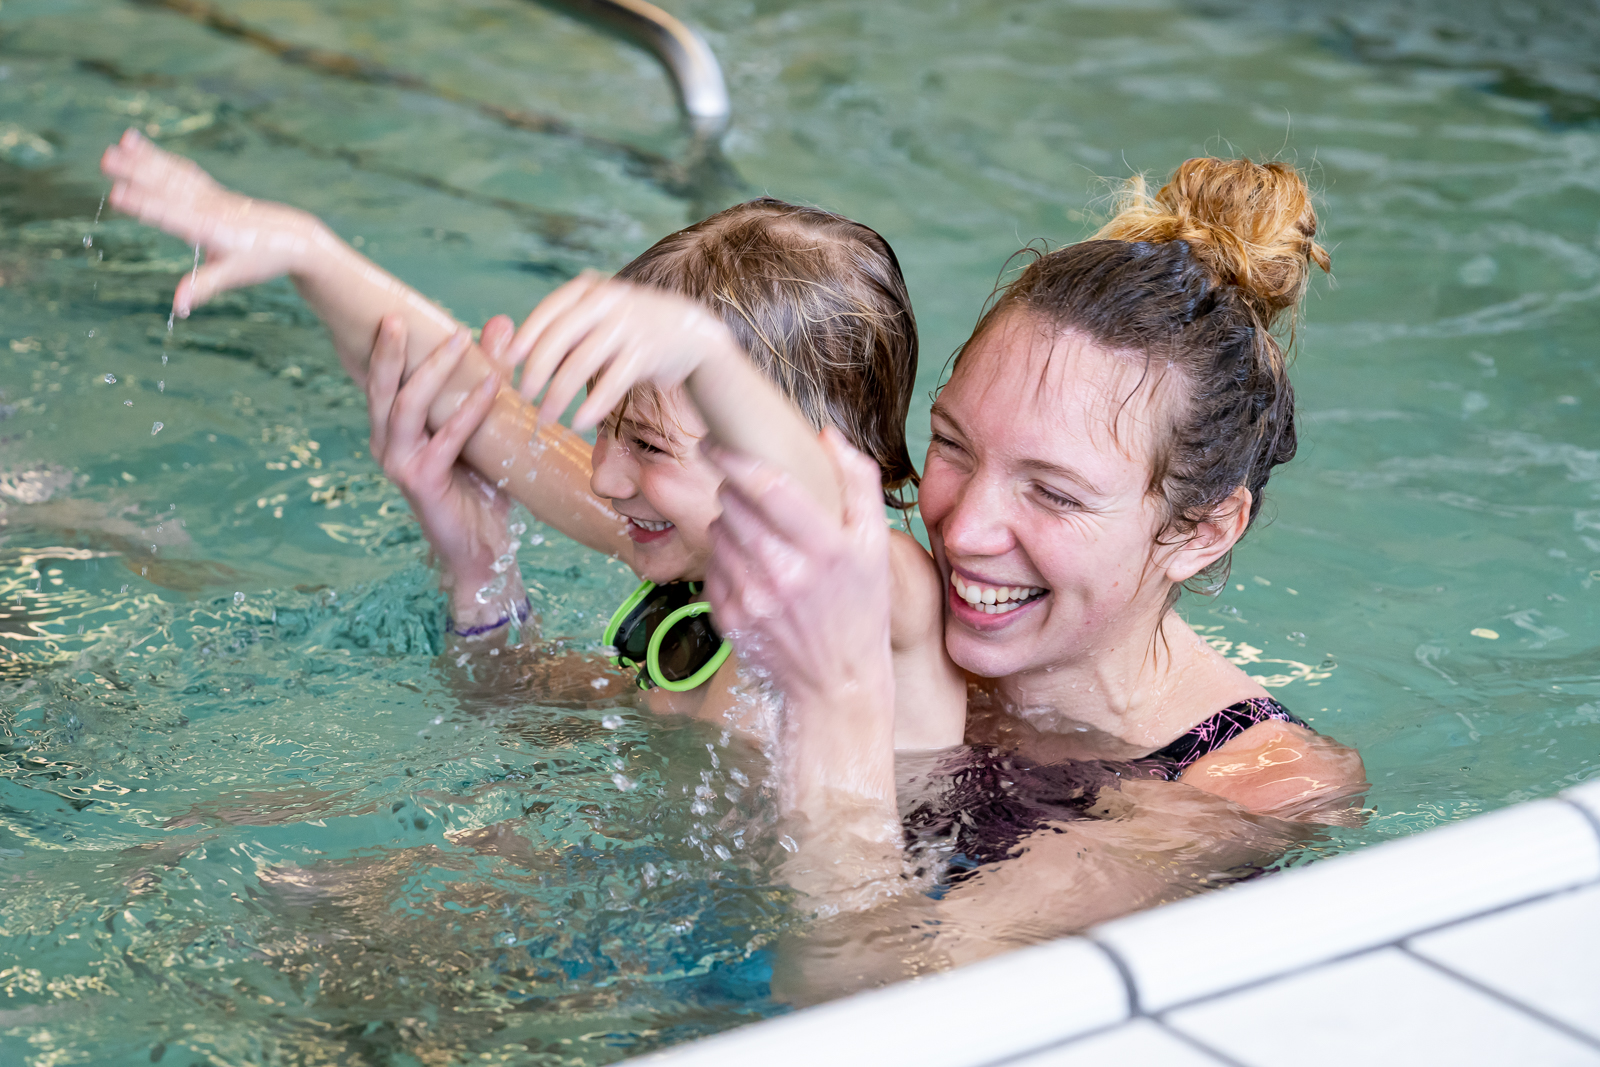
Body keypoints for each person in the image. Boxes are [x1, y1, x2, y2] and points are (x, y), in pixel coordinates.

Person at [697, 158, 1370, 965]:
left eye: (1053, 493)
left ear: (1202, 530)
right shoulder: (909, 612)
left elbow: (879, 991)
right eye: (952, 444)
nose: (964, 529)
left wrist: (834, 697)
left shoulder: (1248, 785)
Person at [99, 128, 964, 747]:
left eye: (649, 445)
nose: (608, 477)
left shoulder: (883, 588)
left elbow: (820, 498)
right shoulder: (696, 546)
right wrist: (311, 253)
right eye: (608, 429)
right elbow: (472, 403)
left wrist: (704, 352)